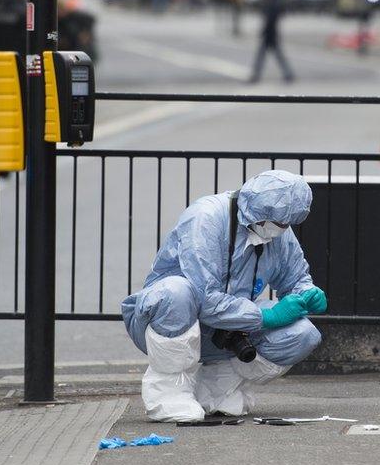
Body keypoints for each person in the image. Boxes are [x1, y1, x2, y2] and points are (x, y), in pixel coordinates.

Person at [121, 170, 327, 422]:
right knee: (177, 292)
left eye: (286, 224)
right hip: (169, 321)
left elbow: (295, 278)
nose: (282, 229)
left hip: (227, 332)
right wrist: (266, 315)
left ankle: (217, 388)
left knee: (303, 334)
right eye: (280, 222)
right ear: (259, 212)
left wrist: (306, 293)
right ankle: (169, 392)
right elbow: (205, 298)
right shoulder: (205, 218)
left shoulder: (276, 230)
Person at [248, 0, 294, 83]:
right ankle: (288, 74)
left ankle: (256, 75)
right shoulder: (271, 1)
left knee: (265, 56)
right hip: (270, 34)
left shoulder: (273, 2)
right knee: (274, 56)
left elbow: (271, 20)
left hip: (270, 34)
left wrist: (264, 31)